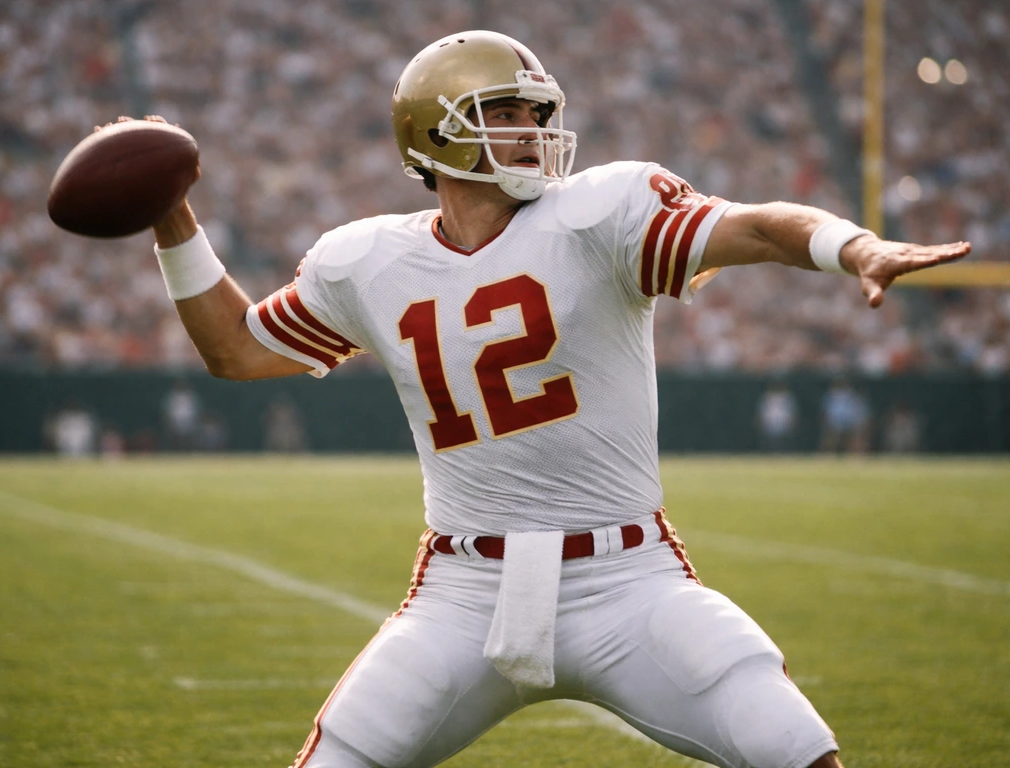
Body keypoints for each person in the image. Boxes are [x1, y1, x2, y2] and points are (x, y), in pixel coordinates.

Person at [134, 30, 969, 768]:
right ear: (434, 134)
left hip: (628, 577)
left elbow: (753, 226)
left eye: (538, 114)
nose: (534, 133)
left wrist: (850, 244)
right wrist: (171, 214)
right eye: (506, 112)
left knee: (795, 747)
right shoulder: (364, 261)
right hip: (462, 591)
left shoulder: (601, 214)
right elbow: (236, 349)